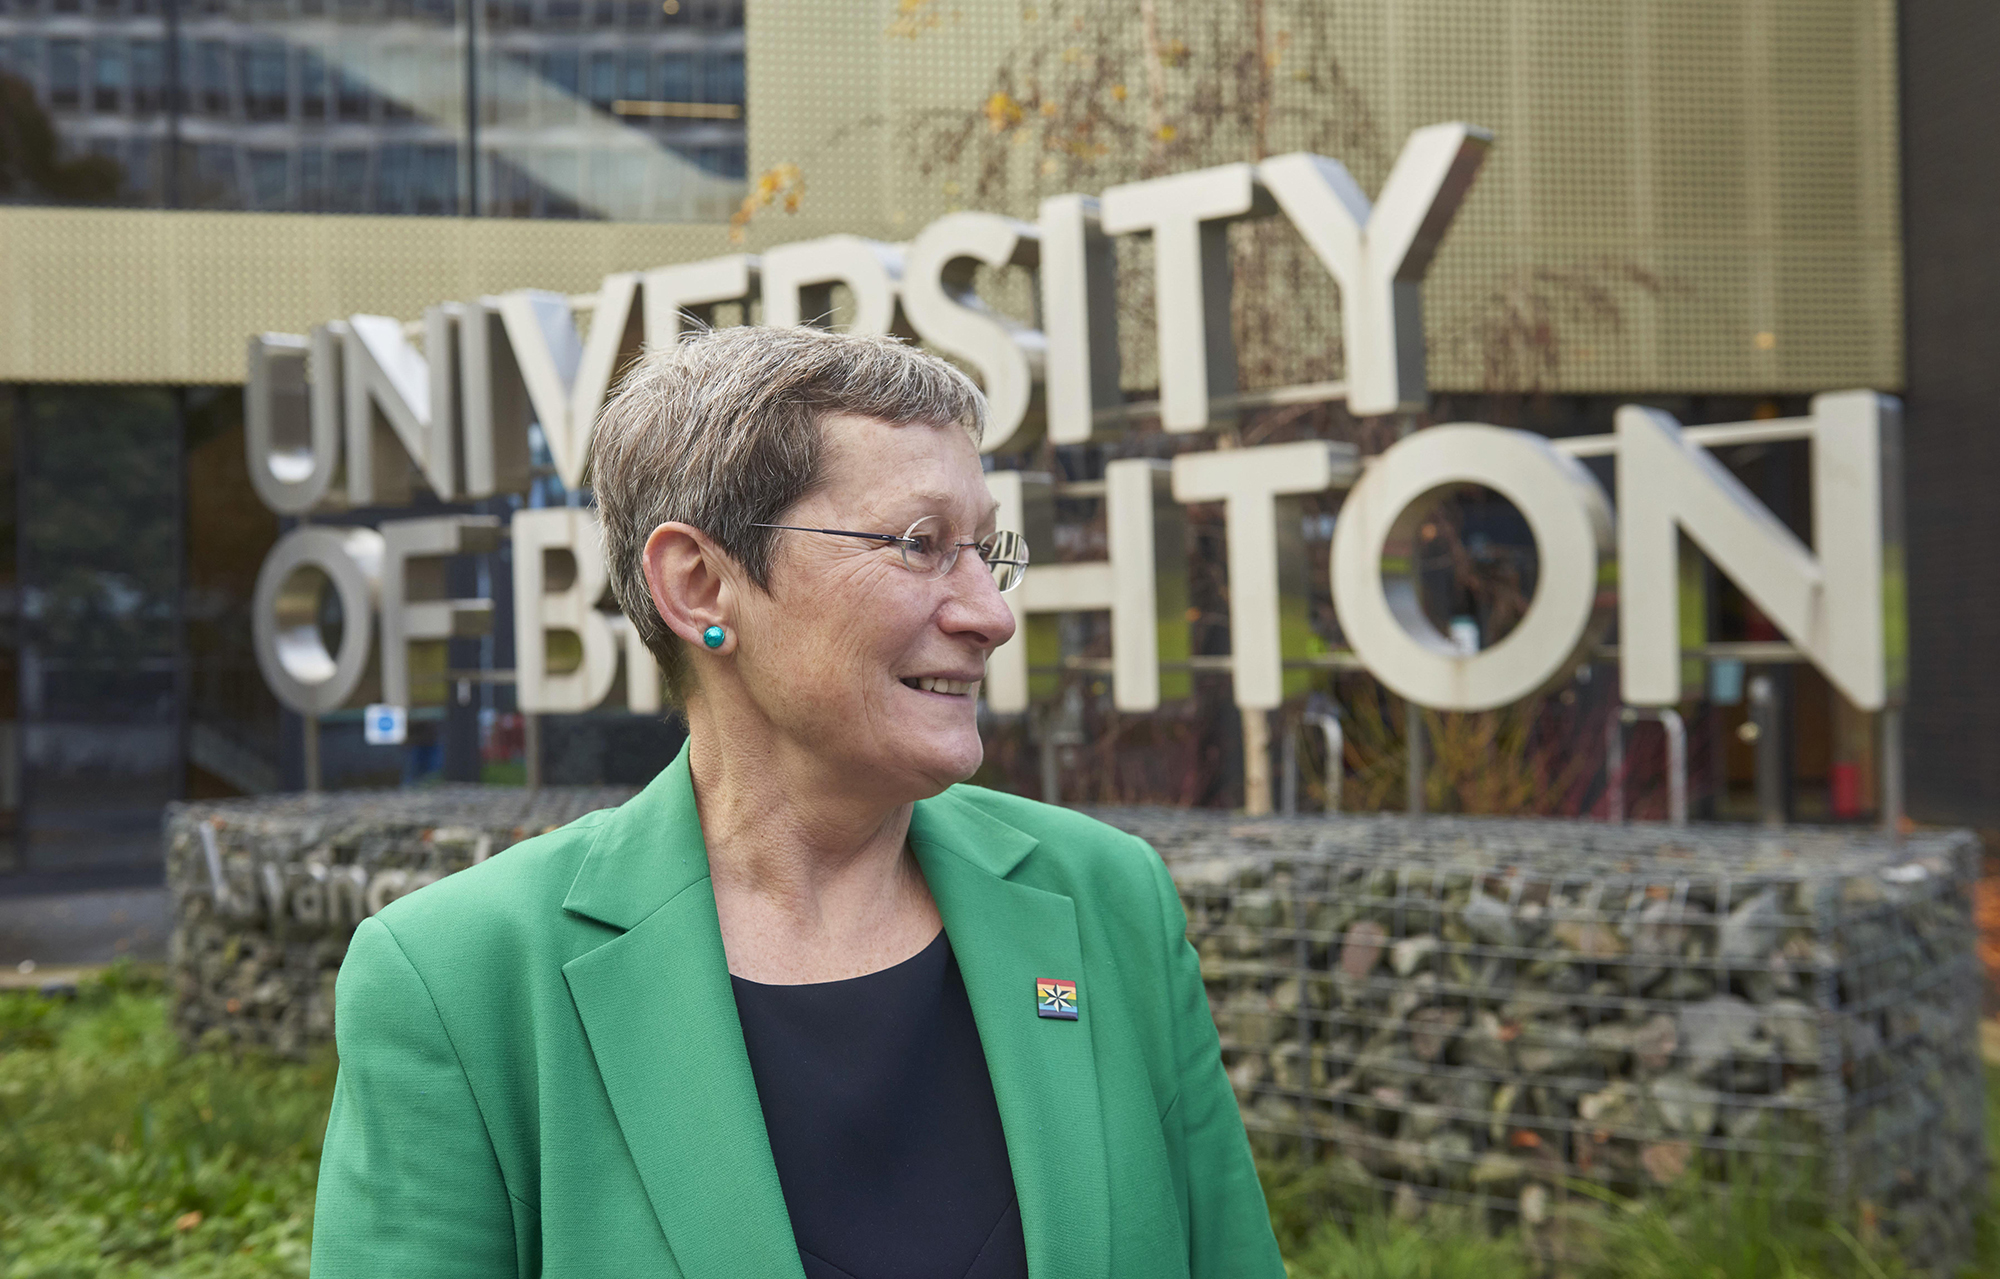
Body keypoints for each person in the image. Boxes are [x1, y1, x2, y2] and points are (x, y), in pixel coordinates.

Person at [309, 325, 1285, 1279]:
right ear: (698, 585)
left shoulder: (1106, 901)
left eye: (986, 549)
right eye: (919, 543)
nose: (990, 613)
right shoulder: (460, 981)